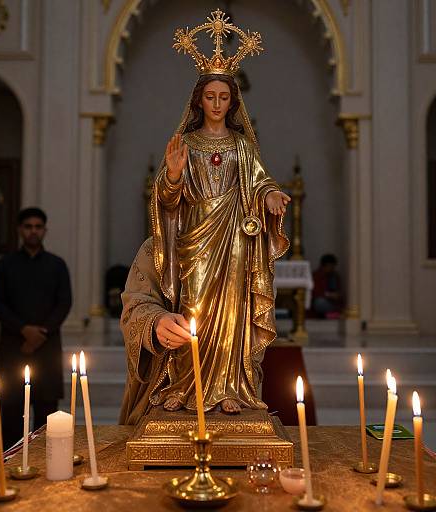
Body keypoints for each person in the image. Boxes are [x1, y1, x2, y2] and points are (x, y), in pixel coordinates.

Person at [120, 10, 290, 425]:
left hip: (234, 239)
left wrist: (270, 195)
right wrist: (173, 177)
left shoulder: (241, 146)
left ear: (233, 103)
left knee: (232, 315)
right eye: (210, 97)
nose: (216, 104)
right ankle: (185, 386)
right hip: (194, 241)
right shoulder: (186, 144)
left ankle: (231, 387)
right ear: (199, 100)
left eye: (224, 98)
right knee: (192, 309)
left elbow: (259, 181)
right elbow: (166, 200)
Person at [0, 207, 72, 448]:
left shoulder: (57, 265)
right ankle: (9, 467)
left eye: (38, 227)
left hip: (46, 350)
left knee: (47, 419)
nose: (33, 231)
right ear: (19, 230)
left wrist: (41, 332)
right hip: (13, 348)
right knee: (10, 413)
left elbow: (64, 303)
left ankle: (46, 467)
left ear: (44, 230)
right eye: (28, 226)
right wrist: (24, 330)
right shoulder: (5, 264)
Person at [312, 254, 342, 318]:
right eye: (330, 266)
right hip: (321, 301)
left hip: (333, 303)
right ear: (324, 266)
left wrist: (337, 296)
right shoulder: (316, 275)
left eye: (333, 267)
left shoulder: (335, 276)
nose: (332, 269)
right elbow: (315, 293)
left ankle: (331, 314)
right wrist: (329, 295)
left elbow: (338, 291)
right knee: (319, 303)